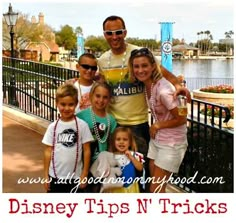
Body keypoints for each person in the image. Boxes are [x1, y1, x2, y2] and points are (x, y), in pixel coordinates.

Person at [98, 15, 191, 154]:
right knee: (117, 167)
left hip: (138, 124)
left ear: (125, 32)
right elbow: (101, 84)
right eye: (109, 33)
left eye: (118, 32)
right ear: (105, 35)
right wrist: (78, 82)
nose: (114, 36)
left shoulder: (139, 53)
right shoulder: (103, 60)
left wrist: (178, 86)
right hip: (114, 124)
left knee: (140, 167)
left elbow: (165, 73)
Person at [129, 47, 188, 193]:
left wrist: (158, 125)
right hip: (157, 140)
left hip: (172, 143)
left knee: (156, 190)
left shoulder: (163, 90)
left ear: (153, 66)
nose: (140, 70)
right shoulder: (147, 85)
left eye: (144, 66)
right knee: (154, 188)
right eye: (136, 66)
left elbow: (182, 118)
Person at [42, 83, 94, 193]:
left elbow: (87, 150)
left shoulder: (82, 125)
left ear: (76, 104)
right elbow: (48, 151)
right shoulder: (53, 127)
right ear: (57, 103)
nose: (66, 108)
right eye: (63, 104)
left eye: (71, 104)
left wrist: (84, 174)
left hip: (75, 178)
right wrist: (45, 175)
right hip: (55, 177)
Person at [76, 82, 117, 192]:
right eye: (98, 96)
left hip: (100, 167)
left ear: (109, 99)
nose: (101, 100)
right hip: (83, 165)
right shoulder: (81, 117)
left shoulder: (111, 120)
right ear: (91, 96)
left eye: (105, 97)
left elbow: (110, 145)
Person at [104, 126, 144, 193]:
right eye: (118, 139)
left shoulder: (134, 155)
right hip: (116, 190)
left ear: (130, 142)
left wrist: (131, 158)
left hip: (131, 189)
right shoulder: (110, 156)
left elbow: (140, 168)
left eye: (125, 139)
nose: (121, 142)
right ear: (113, 142)